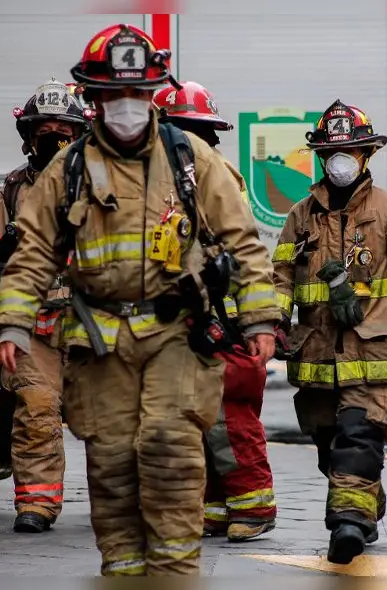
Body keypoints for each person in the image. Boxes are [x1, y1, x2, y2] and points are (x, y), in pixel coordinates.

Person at [0, 23, 281, 576]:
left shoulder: (192, 160)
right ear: (95, 98)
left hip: (176, 335)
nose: (126, 106)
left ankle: (174, 578)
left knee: (171, 453)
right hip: (99, 341)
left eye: (137, 93)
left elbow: (243, 241)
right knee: (113, 465)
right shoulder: (68, 170)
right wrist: (13, 324)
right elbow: (32, 254)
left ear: (151, 95)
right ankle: (124, 575)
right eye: (113, 94)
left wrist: (261, 317)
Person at [271, 99, 387, 564]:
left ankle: (349, 524)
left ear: (366, 155)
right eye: (331, 154)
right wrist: (274, 323)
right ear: (321, 158)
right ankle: (366, 499)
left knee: (359, 432)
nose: (339, 162)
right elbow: (281, 277)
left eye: (349, 153)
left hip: (374, 352)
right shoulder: (300, 217)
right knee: (331, 446)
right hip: (319, 356)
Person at [0, 78, 92, 531]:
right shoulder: (15, 189)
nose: (53, 139)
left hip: (89, 323)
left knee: (103, 415)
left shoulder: (101, 184)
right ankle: (36, 504)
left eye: (63, 131)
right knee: (36, 405)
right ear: (29, 136)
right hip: (31, 324)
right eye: (44, 131)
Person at [153, 81, 278, 542]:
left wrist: (257, 321)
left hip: (217, 320)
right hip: (173, 322)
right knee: (192, 418)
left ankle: (253, 504)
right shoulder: (149, 181)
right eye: (175, 130)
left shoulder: (217, 179)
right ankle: (216, 506)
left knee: (229, 416)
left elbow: (245, 253)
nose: (183, 142)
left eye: (191, 131)